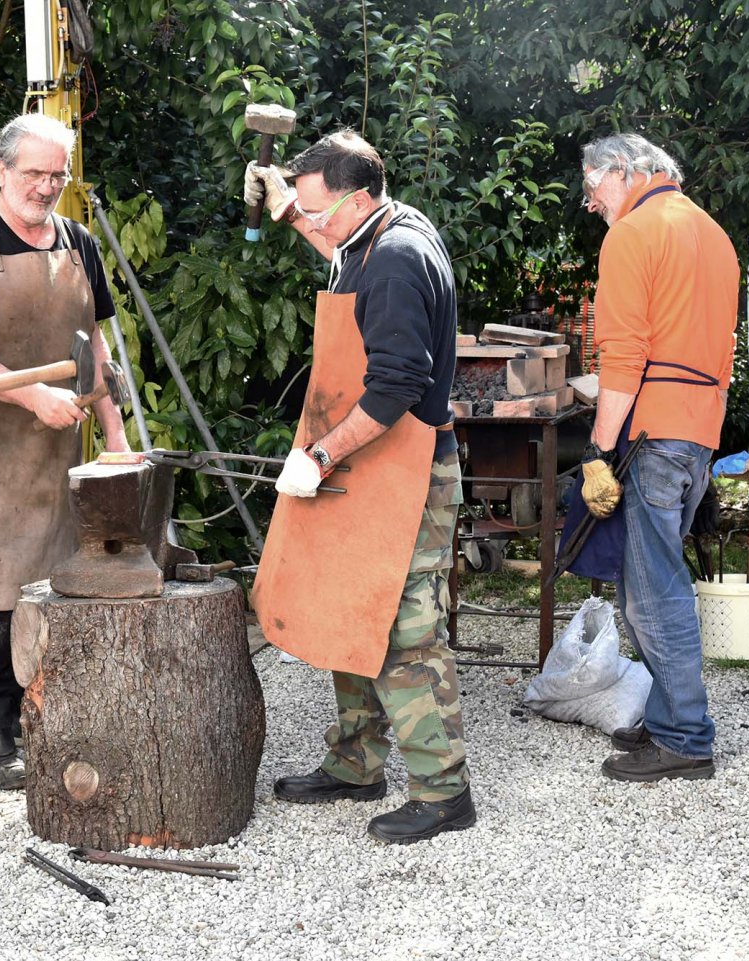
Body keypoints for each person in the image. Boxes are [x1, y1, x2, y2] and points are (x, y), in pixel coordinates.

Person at [245, 130, 474, 844]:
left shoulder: (399, 257)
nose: (316, 223)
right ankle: (356, 764)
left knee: (406, 631)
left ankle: (443, 792)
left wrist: (318, 455)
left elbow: (397, 386)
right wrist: (289, 211)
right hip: (367, 462)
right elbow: (337, 254)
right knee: (348, 607)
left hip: (407, 468)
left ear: (359, 196)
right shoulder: (368, 235)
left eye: (320, 210)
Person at [0, 113, 129, 790]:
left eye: (56, 176)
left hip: (62, 449)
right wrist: (35, 394)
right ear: (3, 170)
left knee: (56, 582)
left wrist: (117, 436)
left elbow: (95, 350)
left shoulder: (78, 243)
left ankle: (46, 712)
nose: (45, 187)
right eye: (33, 173)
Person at [575, 133, 738, 782]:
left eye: (592, 187)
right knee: (651, 579)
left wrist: (598, 447)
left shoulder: (632, 233)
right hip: (698, 429)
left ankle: (684, 737)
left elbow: (623, 356)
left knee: (651, 592)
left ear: (624, 170)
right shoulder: (712, 234)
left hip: (653, 430)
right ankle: (670, 714)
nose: (591, 203)